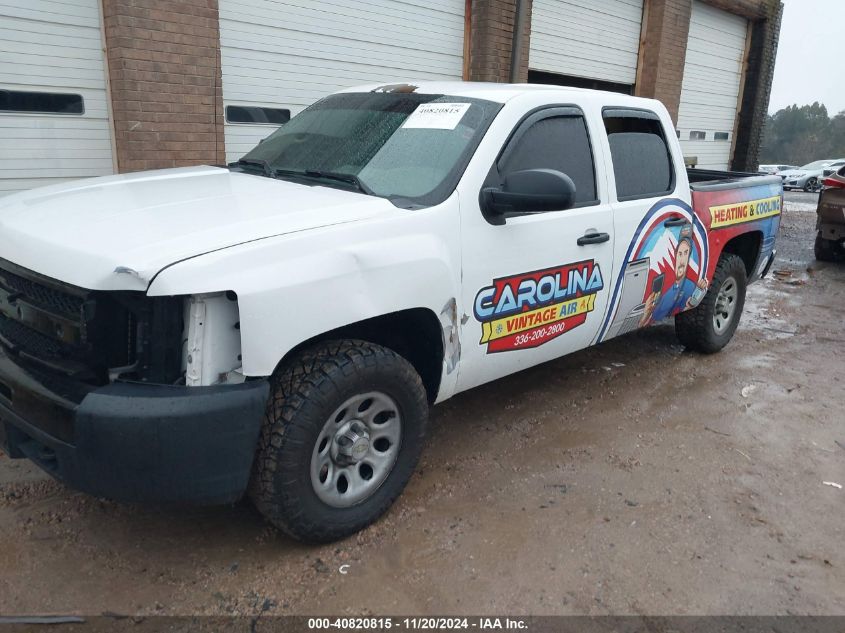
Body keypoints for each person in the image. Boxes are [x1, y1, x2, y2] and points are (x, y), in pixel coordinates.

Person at [639, 230, 708, 327]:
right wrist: (645, 315)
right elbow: (649, 319)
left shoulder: (689, 286)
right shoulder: (667, 286)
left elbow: (689, 310)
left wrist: (698, 293)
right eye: (680, 254)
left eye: (686, 253)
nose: (682, 260)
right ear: (675, 257)